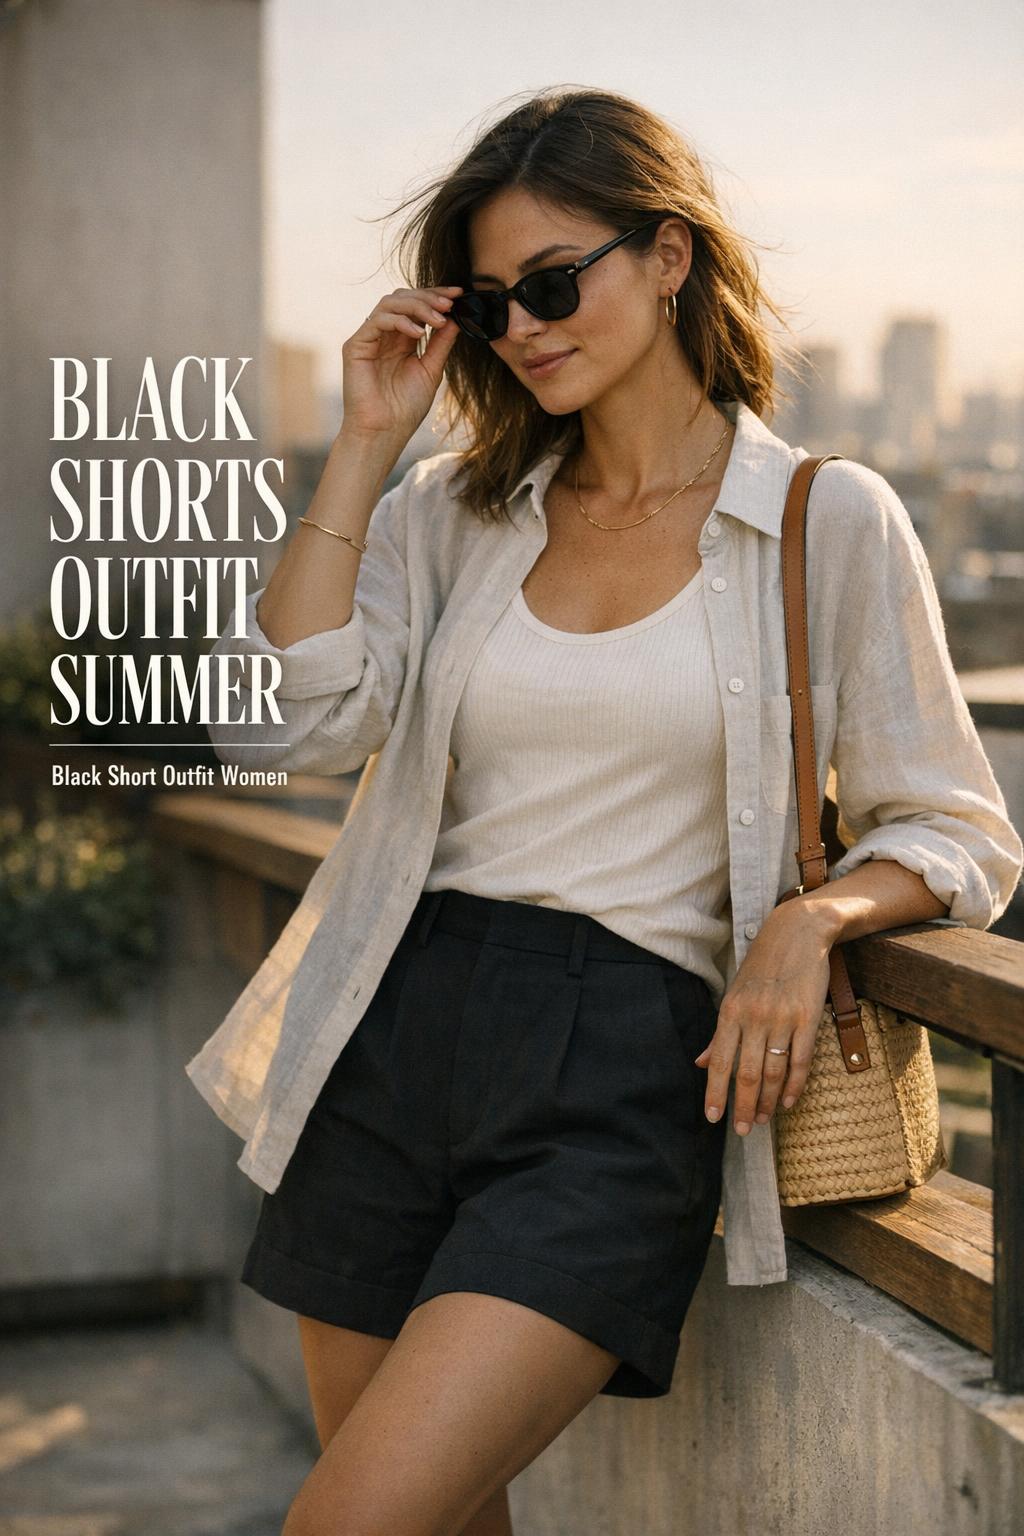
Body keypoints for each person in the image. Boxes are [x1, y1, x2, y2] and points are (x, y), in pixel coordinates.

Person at [185, 87, 1023, 1536]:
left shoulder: (826, 520)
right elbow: (292, 718)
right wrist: (367, 442)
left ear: (672, 257)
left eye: (556, 283)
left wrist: (813, 918)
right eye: (493, 303)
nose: (524, 328)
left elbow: (960, 831)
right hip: (389, 1038)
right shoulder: (452, 514)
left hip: (623, 1075)